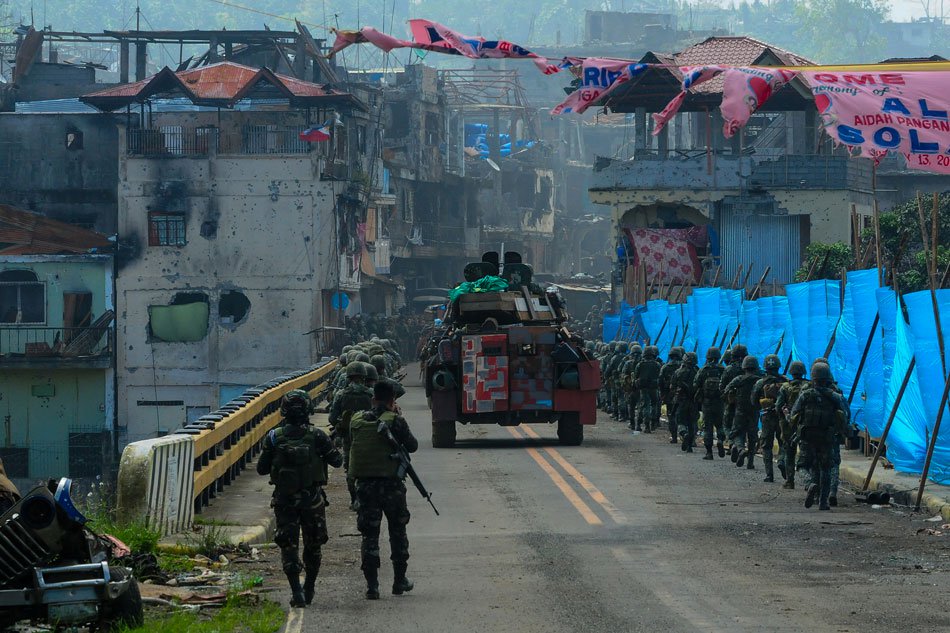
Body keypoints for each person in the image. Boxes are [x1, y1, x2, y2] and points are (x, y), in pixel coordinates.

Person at [257, 390, 343, 607]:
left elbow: (261, 469)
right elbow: (337, 461)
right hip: (312, 500)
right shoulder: (317, 436)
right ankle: (309, 588)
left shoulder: (274, 437)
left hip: (284, 501)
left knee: (288, 545)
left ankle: (297, 592)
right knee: (314, 545)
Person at [349, 380, 419, 600]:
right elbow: (412, 445)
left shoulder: (357, 420)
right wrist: (398, 416)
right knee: (397, 532)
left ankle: (372, 586)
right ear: (392, 400)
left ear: (373, 399)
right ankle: (399, 582)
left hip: (365, 487)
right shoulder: (396, 421)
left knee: (369, 536)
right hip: (391, 487)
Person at [790, 362, 849, 511]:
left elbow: (794, 414)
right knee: (826, 468)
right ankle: (823, 502)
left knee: (803, 465)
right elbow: (845, 415)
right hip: (827, 437)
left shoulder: (805, 395)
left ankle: (810, 484)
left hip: (807, 437)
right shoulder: (835, 397)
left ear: (813, 378)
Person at [329, 362, 375, 510]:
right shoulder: (371, 393)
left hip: (349, 437)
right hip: (368, 436)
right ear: (363, 376)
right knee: (368, 466)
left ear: (348, 377)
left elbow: (332, 418)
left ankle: (354, 499)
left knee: (350, 468)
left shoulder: (341, 394)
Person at [751, 354, 788, 483]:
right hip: (782, 417)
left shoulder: (761, 382)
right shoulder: (785, 381)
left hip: (767, 416)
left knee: (766, 445)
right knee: (783, 442)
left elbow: (753, 400)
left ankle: (769, 475)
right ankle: (782, 460)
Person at [724, 355, 763, 469]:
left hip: (740, 411)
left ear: (744, 367)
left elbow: (726, 390)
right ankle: (750, 462)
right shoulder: (759, 380)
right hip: (754, 411)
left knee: (737, 433)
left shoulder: (739, 379)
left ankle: (740, 449)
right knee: (752, 436)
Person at [775, 361, 808, 489]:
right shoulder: (808, 386)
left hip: (789, 424)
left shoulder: (785, 387)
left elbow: (778, 406)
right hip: (805, 424)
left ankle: (790, 481)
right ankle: (808, 482)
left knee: (789, 451)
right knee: (806, 452)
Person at [694, 347, 726, 460]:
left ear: (708, 357)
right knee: (720, 425)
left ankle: (709, 453)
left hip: (707, 403)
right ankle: (721, 440)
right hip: (720, 402)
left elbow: (696, 383)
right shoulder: (723, 369)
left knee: (708, 427)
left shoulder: (704, 370)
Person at [720, 345, 747, 458]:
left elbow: (722, 386)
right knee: (743, 427)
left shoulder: (729, 369)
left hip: (730, 403)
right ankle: (741, 448)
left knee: (727, 425)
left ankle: (732, 443)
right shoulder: (751, 369)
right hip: (746, 404)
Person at [672, 351, 700, 452]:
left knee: (680, 421)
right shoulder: (698, 372)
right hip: (694, 401)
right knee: (692, 423)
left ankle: (684, 434)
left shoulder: (678, 372)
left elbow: (672, 387)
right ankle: (690, 446)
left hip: (682, 401)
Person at [634, 346, 662, 433]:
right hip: (654, 388)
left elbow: (636, 375)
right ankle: (653, 423)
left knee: (644, 406)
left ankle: (643, 425)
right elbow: (660, 376)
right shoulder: (657, 364)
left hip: (644, 388)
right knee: (654, 406)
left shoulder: (640, 364)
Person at [659, 347, 684, 443]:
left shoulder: (665, 367)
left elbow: (660, 381)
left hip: (669, 395)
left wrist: (662, 394)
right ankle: (685, 434)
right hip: (682, 396)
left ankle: (674, 437)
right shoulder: (683, 366)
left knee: (671, 415)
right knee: (683, 416)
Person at [621, 345, 643, 430]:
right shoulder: (643, 362)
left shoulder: (628, 363)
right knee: (640, 406)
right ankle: (639, 425)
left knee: (631, 406)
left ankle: (632, 423)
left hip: (630, 389)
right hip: (640, 388)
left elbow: (622, 374)